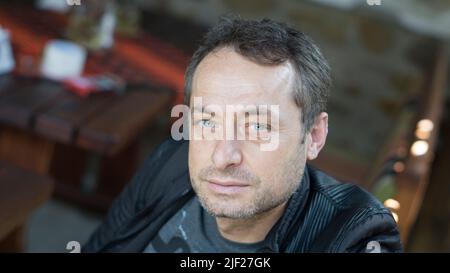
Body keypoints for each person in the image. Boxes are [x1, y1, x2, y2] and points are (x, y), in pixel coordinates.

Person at [83, 17, 402, 253]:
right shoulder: (173, 160)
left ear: (314, 136)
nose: (223, 157)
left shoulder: (351, 235)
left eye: (259, 127)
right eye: (207, 122)